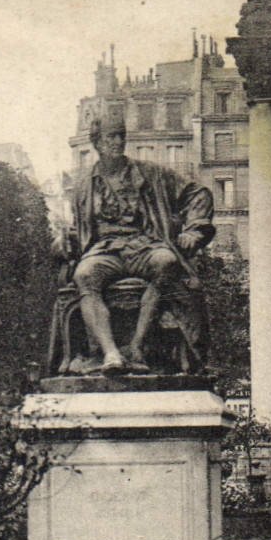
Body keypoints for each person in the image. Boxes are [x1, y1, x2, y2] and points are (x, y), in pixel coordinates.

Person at [63, 116, 215, 374]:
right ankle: (111, 353)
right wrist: (64, 240)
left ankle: (137, 347)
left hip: (146, 246)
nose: (118, 141)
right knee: (84, 275)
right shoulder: (84, 185)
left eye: (121, 135)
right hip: (105, 250)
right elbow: (80, 229)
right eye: (111, 136)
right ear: (97, 142)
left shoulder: (152, 174)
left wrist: (194, 229)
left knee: (167, 262)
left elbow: (198, 194)